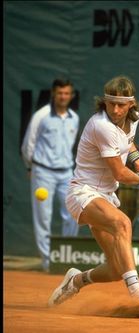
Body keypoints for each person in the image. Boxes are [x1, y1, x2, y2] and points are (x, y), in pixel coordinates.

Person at [47, 75, 139, 317]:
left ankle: (76, 281)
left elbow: (128, 144)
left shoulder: (133, 120)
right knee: (122, 222)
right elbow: (120, 173)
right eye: (110, 103)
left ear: (132, 105)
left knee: (115, 269)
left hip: (105, 196)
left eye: (120, 104)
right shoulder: (101, 125)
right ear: (104, 102)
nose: (114, 109)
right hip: (83, 192)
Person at [21, 78, 80, 272]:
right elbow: (28, 145)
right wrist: (31, 168)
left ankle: (66, 257)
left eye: (67, 93)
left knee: (73, 213)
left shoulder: (74, 117)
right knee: (43, 218)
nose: (63, 96)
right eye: (60, 93)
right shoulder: (41, 115)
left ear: (71, 95)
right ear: (53, 94)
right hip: (42, 171)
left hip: (66, 173)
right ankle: (48, 263)